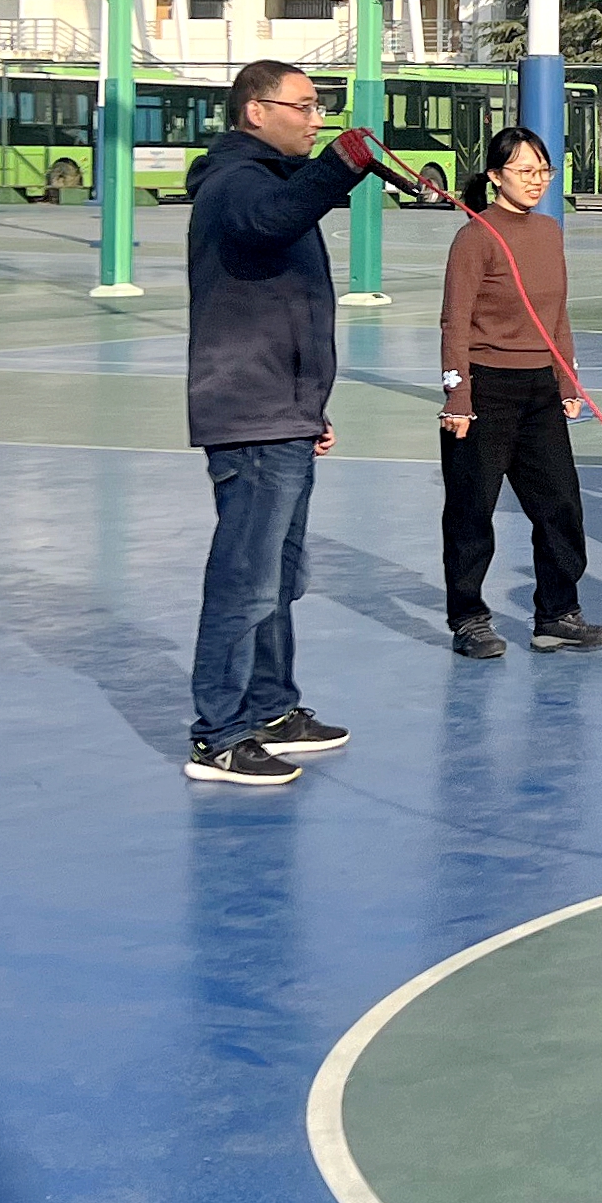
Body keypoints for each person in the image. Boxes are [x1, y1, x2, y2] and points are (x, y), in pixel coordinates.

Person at [181, 60, 396, 785]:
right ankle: (218, 735)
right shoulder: (235, 183)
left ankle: (271, 707)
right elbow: (272, 219)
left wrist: (308, 410)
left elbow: (287, 303)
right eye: (303, 106)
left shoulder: (268, 181)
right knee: (244, 579)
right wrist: (340, 167)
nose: (316, 118)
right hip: (249, 415)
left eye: (319, 107)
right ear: (256, 110)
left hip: (283, 412)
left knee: (277, 577)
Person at [436, 126, 602, 661]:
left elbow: (556, 313)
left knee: (560, 506)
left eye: (544, 171)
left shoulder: (548, 232)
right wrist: (458, 396)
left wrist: (567, 382)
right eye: (524, 170)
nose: (537, 180)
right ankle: (469, 619)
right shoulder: (475, 237)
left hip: (540, 388)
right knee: (472, 512)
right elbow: (455, 322)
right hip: (485, 388)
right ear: (496, 176)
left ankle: (557, 615)